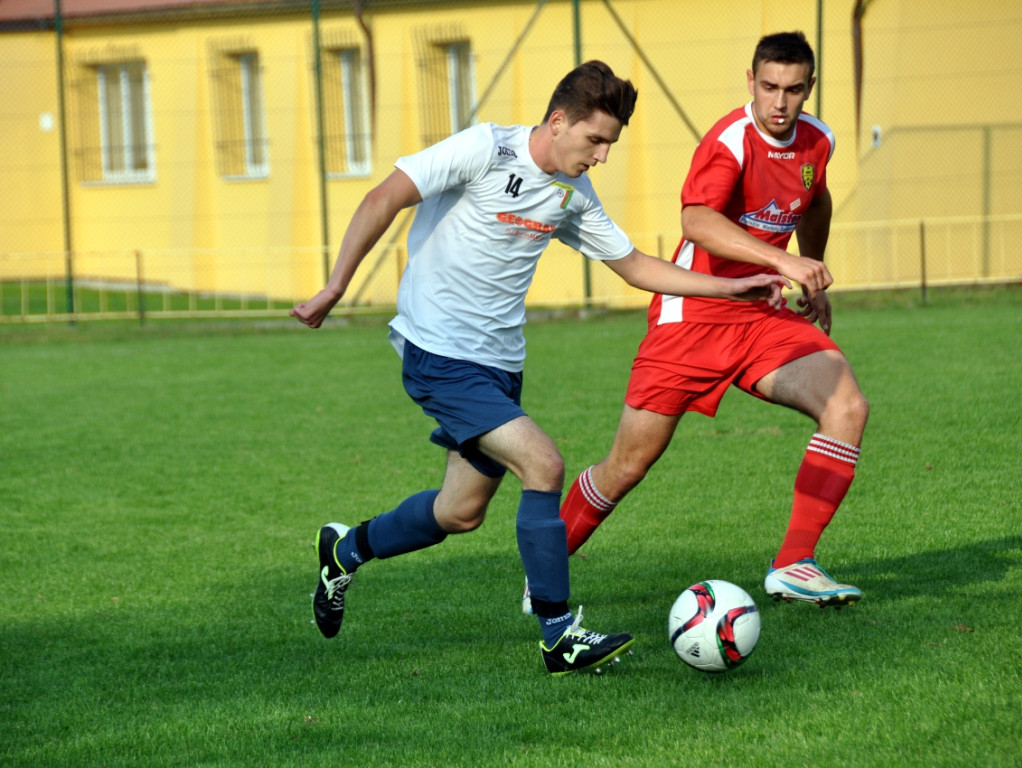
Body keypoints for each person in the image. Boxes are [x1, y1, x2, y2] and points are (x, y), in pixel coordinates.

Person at [291, 60, 787, 676]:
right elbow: (382, 198)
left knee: (459, 512)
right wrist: (336, 286)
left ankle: (345, 550)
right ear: (558, 121)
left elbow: (634, 266)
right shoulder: (482, 149)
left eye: (610, 143)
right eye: (596, 139)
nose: (603, 155)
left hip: (500, 364)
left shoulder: (572, 194)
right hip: (438, 354)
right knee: (544, 464)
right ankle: (559, 635)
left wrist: (734, 291)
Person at [548, 33, 869, 612]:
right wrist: (782, 259)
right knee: (627, 465)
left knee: (847, 404)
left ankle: (795, 564)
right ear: (751, 81)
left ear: (809, 89)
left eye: (793, 90)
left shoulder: (819, 140)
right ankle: (544, 573)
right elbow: (696, 221)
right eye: (769, 87)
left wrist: (811, 274)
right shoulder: (729, 140)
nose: (780, 102)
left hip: (761, 315)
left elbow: (813, 200)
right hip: (691, 317)